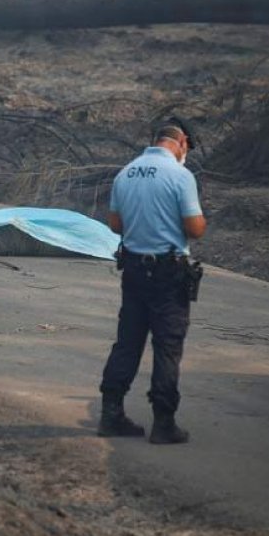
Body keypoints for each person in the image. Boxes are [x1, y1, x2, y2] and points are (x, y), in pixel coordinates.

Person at [97, 119, 207, 444]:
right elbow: (195, 228)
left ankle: (111, 414)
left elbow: (116, 224)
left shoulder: (125, 173)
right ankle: (163, 423)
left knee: (127, 342)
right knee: (167, 347)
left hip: (133, 270)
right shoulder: (181, 176)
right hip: (168, 272)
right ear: (182, 142)